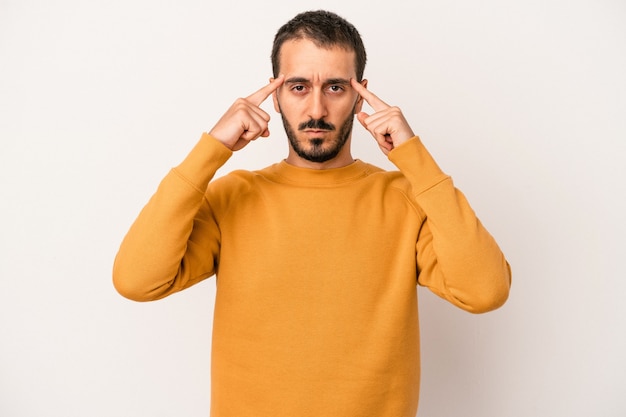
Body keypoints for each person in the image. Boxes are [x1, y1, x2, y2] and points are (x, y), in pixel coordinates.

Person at [113, 9, 511, 417]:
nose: (317, 109)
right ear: (275, 94)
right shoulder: (232, 197)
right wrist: (210, 150)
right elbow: (137, 280)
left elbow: (485, 291)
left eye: (336, 87)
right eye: (299, 87)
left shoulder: (405, 199)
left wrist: (417, 160)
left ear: (361, 95)